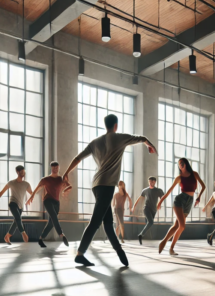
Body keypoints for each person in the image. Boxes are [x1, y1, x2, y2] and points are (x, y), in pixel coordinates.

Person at [62, 114, 157, 267]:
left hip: (96, 185)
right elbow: (141, 137)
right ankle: (80, 253)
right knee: (95, 222)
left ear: (105, 125)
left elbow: (77, 158)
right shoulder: (119, 138)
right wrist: (149, 145)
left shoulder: (94, 143)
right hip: (106, 185)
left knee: (107, 223)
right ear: (116, 126)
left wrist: (66, 172)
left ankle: (120, 252)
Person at [157, 158, 206, 256]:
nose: (181, 165)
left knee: (177, 225)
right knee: (182, 226)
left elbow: (203, 186)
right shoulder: (179, 177)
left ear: (186, 164)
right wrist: (160, 201)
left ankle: (171, 249)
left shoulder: (194, 174)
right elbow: (169, 191)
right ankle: (164, 241)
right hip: (180, 200)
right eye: (179, 164)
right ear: (179, 166)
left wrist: (199, 197)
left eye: (182, 163)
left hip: (189, 202)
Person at [26, 161, 72, 248]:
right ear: (51, 168)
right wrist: (31, 197)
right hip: (47, 200)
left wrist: (66, 190)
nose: (55, 169)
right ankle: (61, 234)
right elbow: (37, 188)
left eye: (56, 168)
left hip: (56, 202)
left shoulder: (61, 179)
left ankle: (41, 239)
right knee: (54, 216)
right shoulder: (45, 179)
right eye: (53, 168)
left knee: (51, 223)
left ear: (58, 168)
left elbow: (69, 186)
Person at [0, 165, 33, 245]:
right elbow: (2, 192)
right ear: (18, 172)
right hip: (12, 203)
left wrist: (30, 199)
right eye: (21, 172)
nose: (23, 173)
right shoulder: (11, 183)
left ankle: (7, 236)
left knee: (16, 222)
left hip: (21, 206)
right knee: (18, 218)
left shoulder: (26, 184)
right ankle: (23, 233)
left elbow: (32, 193)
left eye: (24, 171)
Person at [132, 176, 164, 245]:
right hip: (146, 208)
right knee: (151, 222)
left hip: (154, 209)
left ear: (155, 182)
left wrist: (159, 204)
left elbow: (162, 197)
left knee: (149, 223)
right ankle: (141, 235)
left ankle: (145, 235)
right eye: (150, 181)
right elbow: (139, 198)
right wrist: (134, 206)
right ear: (148, 181)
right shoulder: (145, 190)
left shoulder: (158, 190)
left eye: (152, 181)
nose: (151, 183)